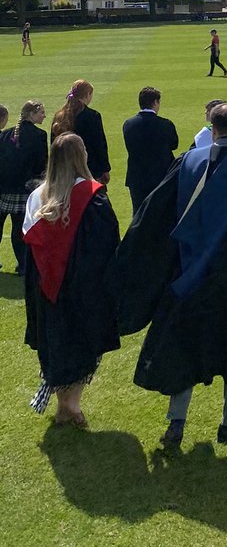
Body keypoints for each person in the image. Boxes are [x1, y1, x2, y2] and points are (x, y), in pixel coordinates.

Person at [114, 103, 227, 447]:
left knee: (184, 341)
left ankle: (177, 422)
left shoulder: (187, 162)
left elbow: (153, 217)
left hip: (189, 273)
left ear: (212, 125)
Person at [23, 132, 120, 426]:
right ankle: (70, 407)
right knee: (80, 340)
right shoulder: (93, 195)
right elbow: (106, 243)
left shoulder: (36, 195)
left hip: (44, 283)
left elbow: (30, 241)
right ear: (82, 157)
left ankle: (66, 405)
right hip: (81, 283)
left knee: (55, 338)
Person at [0, 100, 48, 274]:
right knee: (19, 228)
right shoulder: (40, 135)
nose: (44, 115)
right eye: (41, 112)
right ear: (31, 115)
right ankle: (23, 264)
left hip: (5, 188)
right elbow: (42, 165)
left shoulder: (5, 135)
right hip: (26, 189)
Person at [122, 87, 179, 214]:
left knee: (138, 214)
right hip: (161, 175)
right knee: (162, 215)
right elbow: (174, 144)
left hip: (137, 176)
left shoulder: (128, 124)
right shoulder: (165, 124)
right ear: (155, 102)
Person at [51, 80, 111, 186]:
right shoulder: (92, 116)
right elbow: (99, 144)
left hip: (64, 169)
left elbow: (54, 144)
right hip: (89, 169)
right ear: (87, 94)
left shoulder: (59, 116)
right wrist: (105, 169)